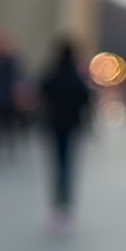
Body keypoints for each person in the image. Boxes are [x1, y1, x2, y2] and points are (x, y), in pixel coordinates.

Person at [38, 36, 92, 233]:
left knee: (56, 165)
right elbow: (86, 101)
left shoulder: (52, 74)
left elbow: (40, 93)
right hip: (71, 127)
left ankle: (56, 207)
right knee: (68, 166)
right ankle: (66, 206)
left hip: (54, 126)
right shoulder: (76, 78)